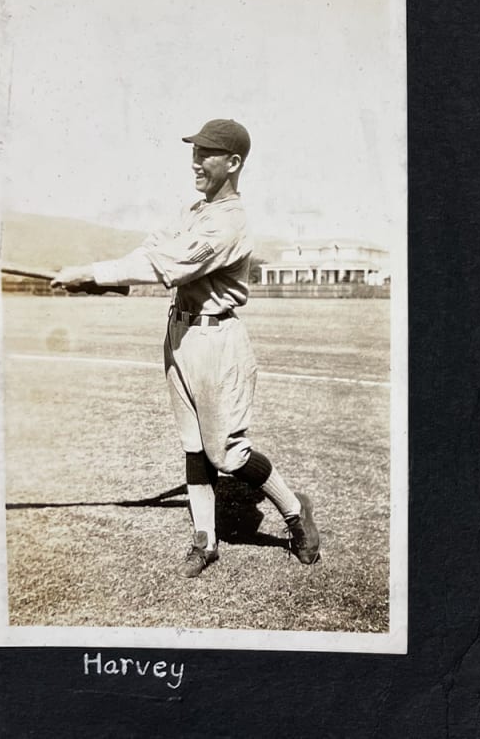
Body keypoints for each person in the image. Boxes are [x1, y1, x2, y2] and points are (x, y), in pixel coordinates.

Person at [52, 119, 321, 577]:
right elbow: (153, 249)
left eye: (207, 153)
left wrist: (92, 272)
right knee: (193, 447)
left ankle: (296, 511)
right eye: (194, 151)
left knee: (228, 455)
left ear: (233, 163)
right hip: (179, 334)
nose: (196, 160)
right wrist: (102, 283)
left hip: (217, 342)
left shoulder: (230, 225)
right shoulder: (194, 211)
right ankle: (205, 540)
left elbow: (171, 266)